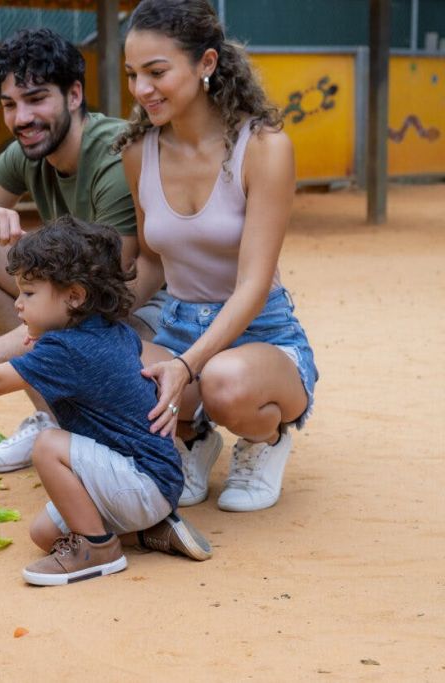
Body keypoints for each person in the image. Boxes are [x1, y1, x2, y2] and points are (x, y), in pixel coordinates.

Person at [0, 218, 212, 587]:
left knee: (48, 444)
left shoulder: (67, 350)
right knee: (44, 533)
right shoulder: (107, 330)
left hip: (143, 483)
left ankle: (100, 550)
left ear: (74, 297)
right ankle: (150, 531)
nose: (18, 305)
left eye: (29, 294)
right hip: (150, 480)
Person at [0, 28, 167, 475]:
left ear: (74, 95)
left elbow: (101, 301)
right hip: (80, 300)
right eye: (9, 104)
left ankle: (144, 429)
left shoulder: (112, 156)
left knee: (78, 314)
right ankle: (54, 419)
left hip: (145, 313)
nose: (22, 118)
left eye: (36, 99)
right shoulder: (29, 152)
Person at [117, 0, 319, 512]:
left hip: (261, 332)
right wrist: (97, 317)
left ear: (206, 63)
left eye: (157, 72)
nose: (141, 89)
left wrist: (187, 366)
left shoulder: (264, 148)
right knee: (113, 368)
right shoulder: (138, 152)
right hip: (178, 325)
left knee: (224, 383)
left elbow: (253, 285)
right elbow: (152, 263)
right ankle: (193, 437)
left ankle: (265, 440)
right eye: (132, 74)